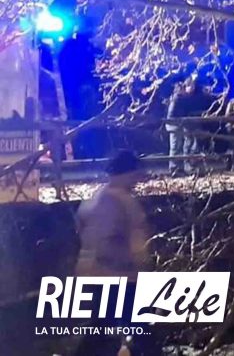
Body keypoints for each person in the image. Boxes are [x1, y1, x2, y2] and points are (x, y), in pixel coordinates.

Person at [75, 150, 152, 356]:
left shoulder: (97, 197)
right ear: (126, 173)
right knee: (138, 328)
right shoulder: (118, 201)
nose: (137, 180)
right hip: (116, 275)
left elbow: (83, 232)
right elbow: (111, 240)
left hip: (98, 274)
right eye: (135, 175)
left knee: (104, 328)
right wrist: (136, 264)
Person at [166, 77, 206, 176]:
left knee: (186, 145)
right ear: (186, 87)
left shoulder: (186, 98)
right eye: (190, 86)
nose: (192, 89)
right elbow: (171, 115)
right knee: (176, 146)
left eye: (193, 86)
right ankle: (174, 169)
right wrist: (180, 121)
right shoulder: (177, 98)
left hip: (183, 124)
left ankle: (185, 167)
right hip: (174, 125)